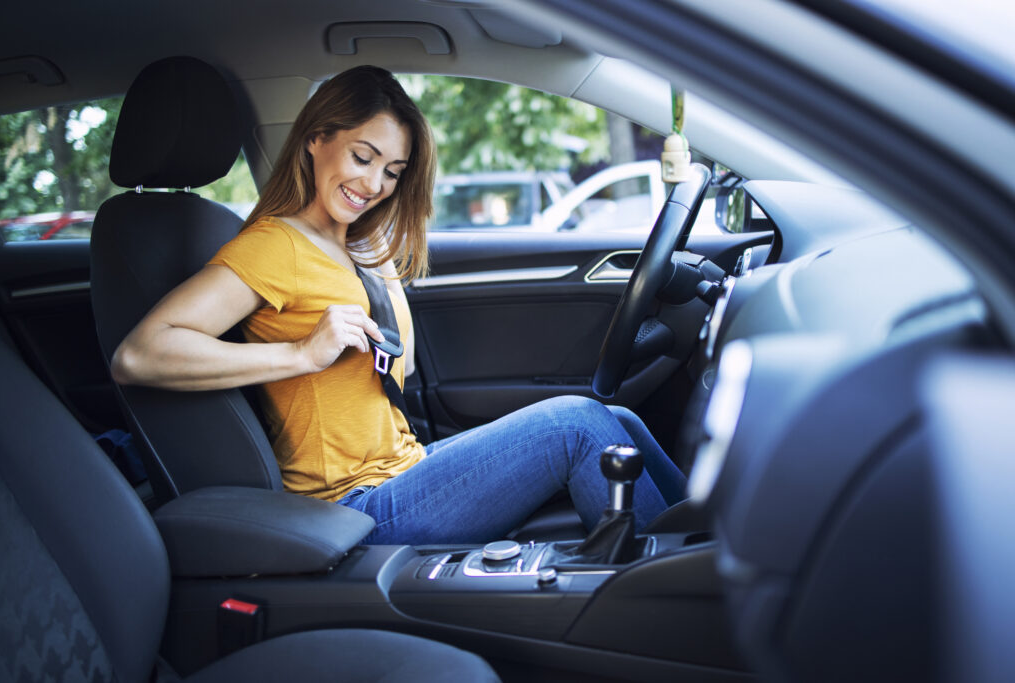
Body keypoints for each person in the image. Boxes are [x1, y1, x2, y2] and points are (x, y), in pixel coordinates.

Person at [111, 65, 686, 545]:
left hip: (405, 467)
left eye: (392, 172)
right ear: (316, 139)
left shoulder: (348, 245)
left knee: (619, 421)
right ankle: (667, 593)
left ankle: (696, 546)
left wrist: (376, 263)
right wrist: (301, 353)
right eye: (362, 157)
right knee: (576, 425)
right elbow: (139, 355)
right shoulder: (275, 244)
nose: (375, 184)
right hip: (356, 504)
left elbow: (400, 365)